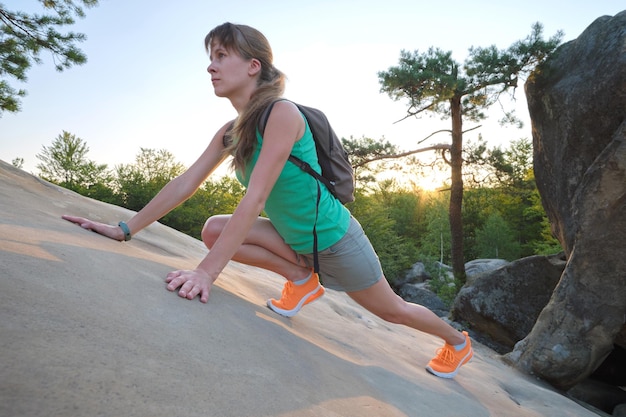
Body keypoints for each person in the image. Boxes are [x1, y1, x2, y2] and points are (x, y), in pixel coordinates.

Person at [62, 22, 473, 379]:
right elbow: (186, 182)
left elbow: (255, 196)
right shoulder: (232, 130)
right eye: (211, 57)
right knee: (213, 230)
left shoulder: (282, 114)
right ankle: (300, 280)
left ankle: (458, 342)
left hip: (335, 240)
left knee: (393, 311)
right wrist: (124, 229)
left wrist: (206, 273)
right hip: (292, 239)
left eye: (222, 55)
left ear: (253, 65)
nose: (211, 65)